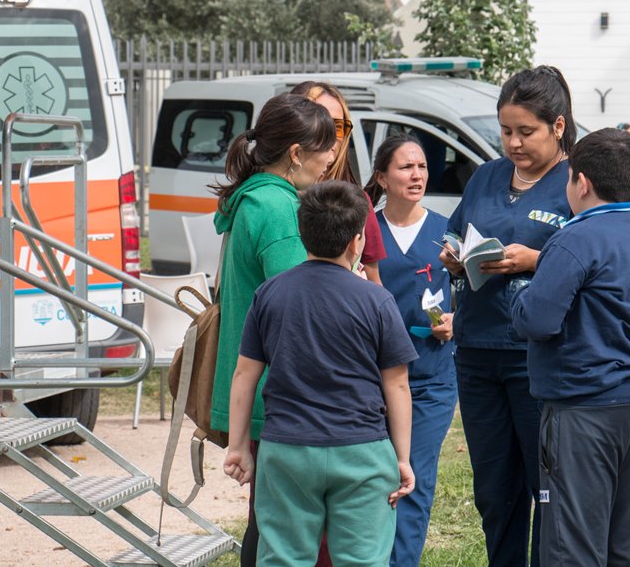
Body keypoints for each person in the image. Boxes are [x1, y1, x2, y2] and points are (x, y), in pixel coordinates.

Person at [223, 180, 418, 566]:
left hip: (287, 451)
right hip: (362, 450)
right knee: (363, 560)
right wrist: (402, 457)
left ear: (302, 233)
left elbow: (244, 374)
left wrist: (238, 446)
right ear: (357, 241)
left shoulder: (271, 293)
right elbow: (396, 383)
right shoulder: (377, 300)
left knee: (282, 558)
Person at [512, 128, 630, 566]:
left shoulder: (575, 238)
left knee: (572, 542)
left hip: (584, 406)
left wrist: (521, 295)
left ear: (581, 183)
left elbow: (538, 320)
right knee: (625, 535)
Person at [439, 65, 576, 567]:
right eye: (506, 131)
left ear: (557, 127)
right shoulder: (487, 175)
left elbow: (594, 256)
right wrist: (454, 253)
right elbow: (456, 232)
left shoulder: (575, 182)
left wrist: (536, 260)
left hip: (536, 357)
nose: (513, 143)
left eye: (526, 132)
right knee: (494, 491)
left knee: (545, 487)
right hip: (475, 352)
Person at [209, 92, 337, 565]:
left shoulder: (251, 198)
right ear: (297, 153)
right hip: (283, 395)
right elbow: (301, 307)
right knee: (282, 538)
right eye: (325, 146)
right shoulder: (278, 209)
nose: (330, 157)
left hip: (262, 386)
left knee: (269, 525)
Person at [364, 135, 456, 567]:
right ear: (382, 177)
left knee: (413, 480)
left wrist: (458, 320)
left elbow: (474, 289)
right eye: (405, 167)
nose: (416, 174)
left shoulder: (448, 232)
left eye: (421, 166)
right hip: (374, 380)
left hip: (433, 379)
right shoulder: (366, 234)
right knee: (375, 482)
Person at [291, 80, 386, 284]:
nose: (331, 135)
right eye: (321, 122)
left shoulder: (357, 201)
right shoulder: (270, 198)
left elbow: (375, 284)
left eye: (338, 126)